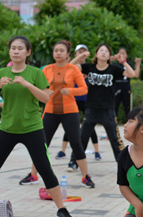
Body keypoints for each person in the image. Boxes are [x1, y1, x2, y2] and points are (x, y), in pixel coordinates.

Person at [0, 36, 74, 217]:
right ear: (9, 51)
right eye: (13, 48)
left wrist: (27, 84)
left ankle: (62, 209)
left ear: (27, 52)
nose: (16, 51)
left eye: (20, 48)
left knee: (44, 168)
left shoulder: (36, 73)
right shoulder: (2, 73)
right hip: (7, 128)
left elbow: (45, 98)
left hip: (32, 128)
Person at [19, 40, 95, 188]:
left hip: (70, 111)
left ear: (68, 54)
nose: (58, 53)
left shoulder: (73, 69)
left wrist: (70, 91)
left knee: (76, 144)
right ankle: (33, 175)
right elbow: (38, 87)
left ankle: (86, 177)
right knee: (41, 144)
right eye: (56, 51)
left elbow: (84, 89)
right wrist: (44, 91)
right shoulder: (46, 69)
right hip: (50, 111)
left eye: (61, 51)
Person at [78, 44, 135, 162]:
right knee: (83, 137)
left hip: (108, 109)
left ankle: (121, 162)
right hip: (91, 108)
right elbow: (71, 67)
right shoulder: (89, 67)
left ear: (110, 56)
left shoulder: (114, 69)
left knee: (115, 138)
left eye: (106, 51)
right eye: (101, 50)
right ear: (96, 54)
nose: (103, 52)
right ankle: (74, 161)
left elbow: (131, 74)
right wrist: (81, 57)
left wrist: (123, 61)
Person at [57, 44, 102, 165]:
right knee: (70, 126)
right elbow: (70, 65)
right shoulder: (74, 67)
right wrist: (81, 55)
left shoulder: (89, 67)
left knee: (89, 126)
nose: (82, 54)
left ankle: (97, 151)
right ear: (75, 54)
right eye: (79, 52)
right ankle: (62, 151)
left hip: (87, 100)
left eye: (84, 52)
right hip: (73, 99)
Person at [114, 47, 141, 119]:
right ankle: (113, 125)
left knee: (128, 108)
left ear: (126, 55)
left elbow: (136, 75)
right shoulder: (114, 65)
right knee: (114, 108)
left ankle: (130, 123)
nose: (121, 55)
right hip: (116, 88)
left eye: (123, 53)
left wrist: (137, 64)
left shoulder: (129, 65)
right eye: (120, 53)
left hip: (126, 88)